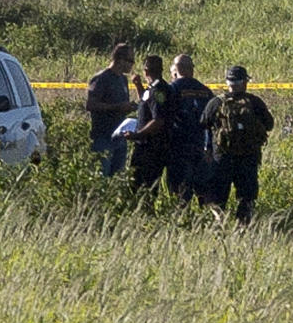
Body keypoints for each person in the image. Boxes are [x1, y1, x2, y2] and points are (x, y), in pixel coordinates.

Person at [200, 65, 274, 224]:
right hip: (248, 158)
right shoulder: (254, 102)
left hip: (222, 158)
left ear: (227, 82)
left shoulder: (215, 103)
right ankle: (243, 228)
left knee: (218, 199)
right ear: (245, 82)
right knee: (246, 198)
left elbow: (203, 124)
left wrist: (208, 149)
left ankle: (219, 229)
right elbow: (269, 124)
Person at [123, 55, 175, 195]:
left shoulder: (158, 91)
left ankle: (145, 210)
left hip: (151, 147)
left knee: (143, 185)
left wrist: (138, 135)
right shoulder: (154, 88)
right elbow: (147, 102)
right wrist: (138, 86)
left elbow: (158, 119)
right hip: (150, 145)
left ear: (146, 71)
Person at [86, 43, 138, 176]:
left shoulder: (123, 79)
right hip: (103, 137)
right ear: (120, 60)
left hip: (120, 138)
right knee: (101, 178)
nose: (132, 64)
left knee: (116, 180)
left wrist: (128, 107)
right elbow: (91, 105)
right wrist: (117, 107)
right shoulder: (101, 78)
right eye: (130, 61)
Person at [167, 54, 213, 203]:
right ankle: (207, 223)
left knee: (180, 193)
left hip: (178, 148)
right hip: (201, 147)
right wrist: (210, 147)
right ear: (192, 69)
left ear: (176, 69)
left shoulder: (172, 89)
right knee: (204, 193)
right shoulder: (206, 91)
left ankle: (182, 222)